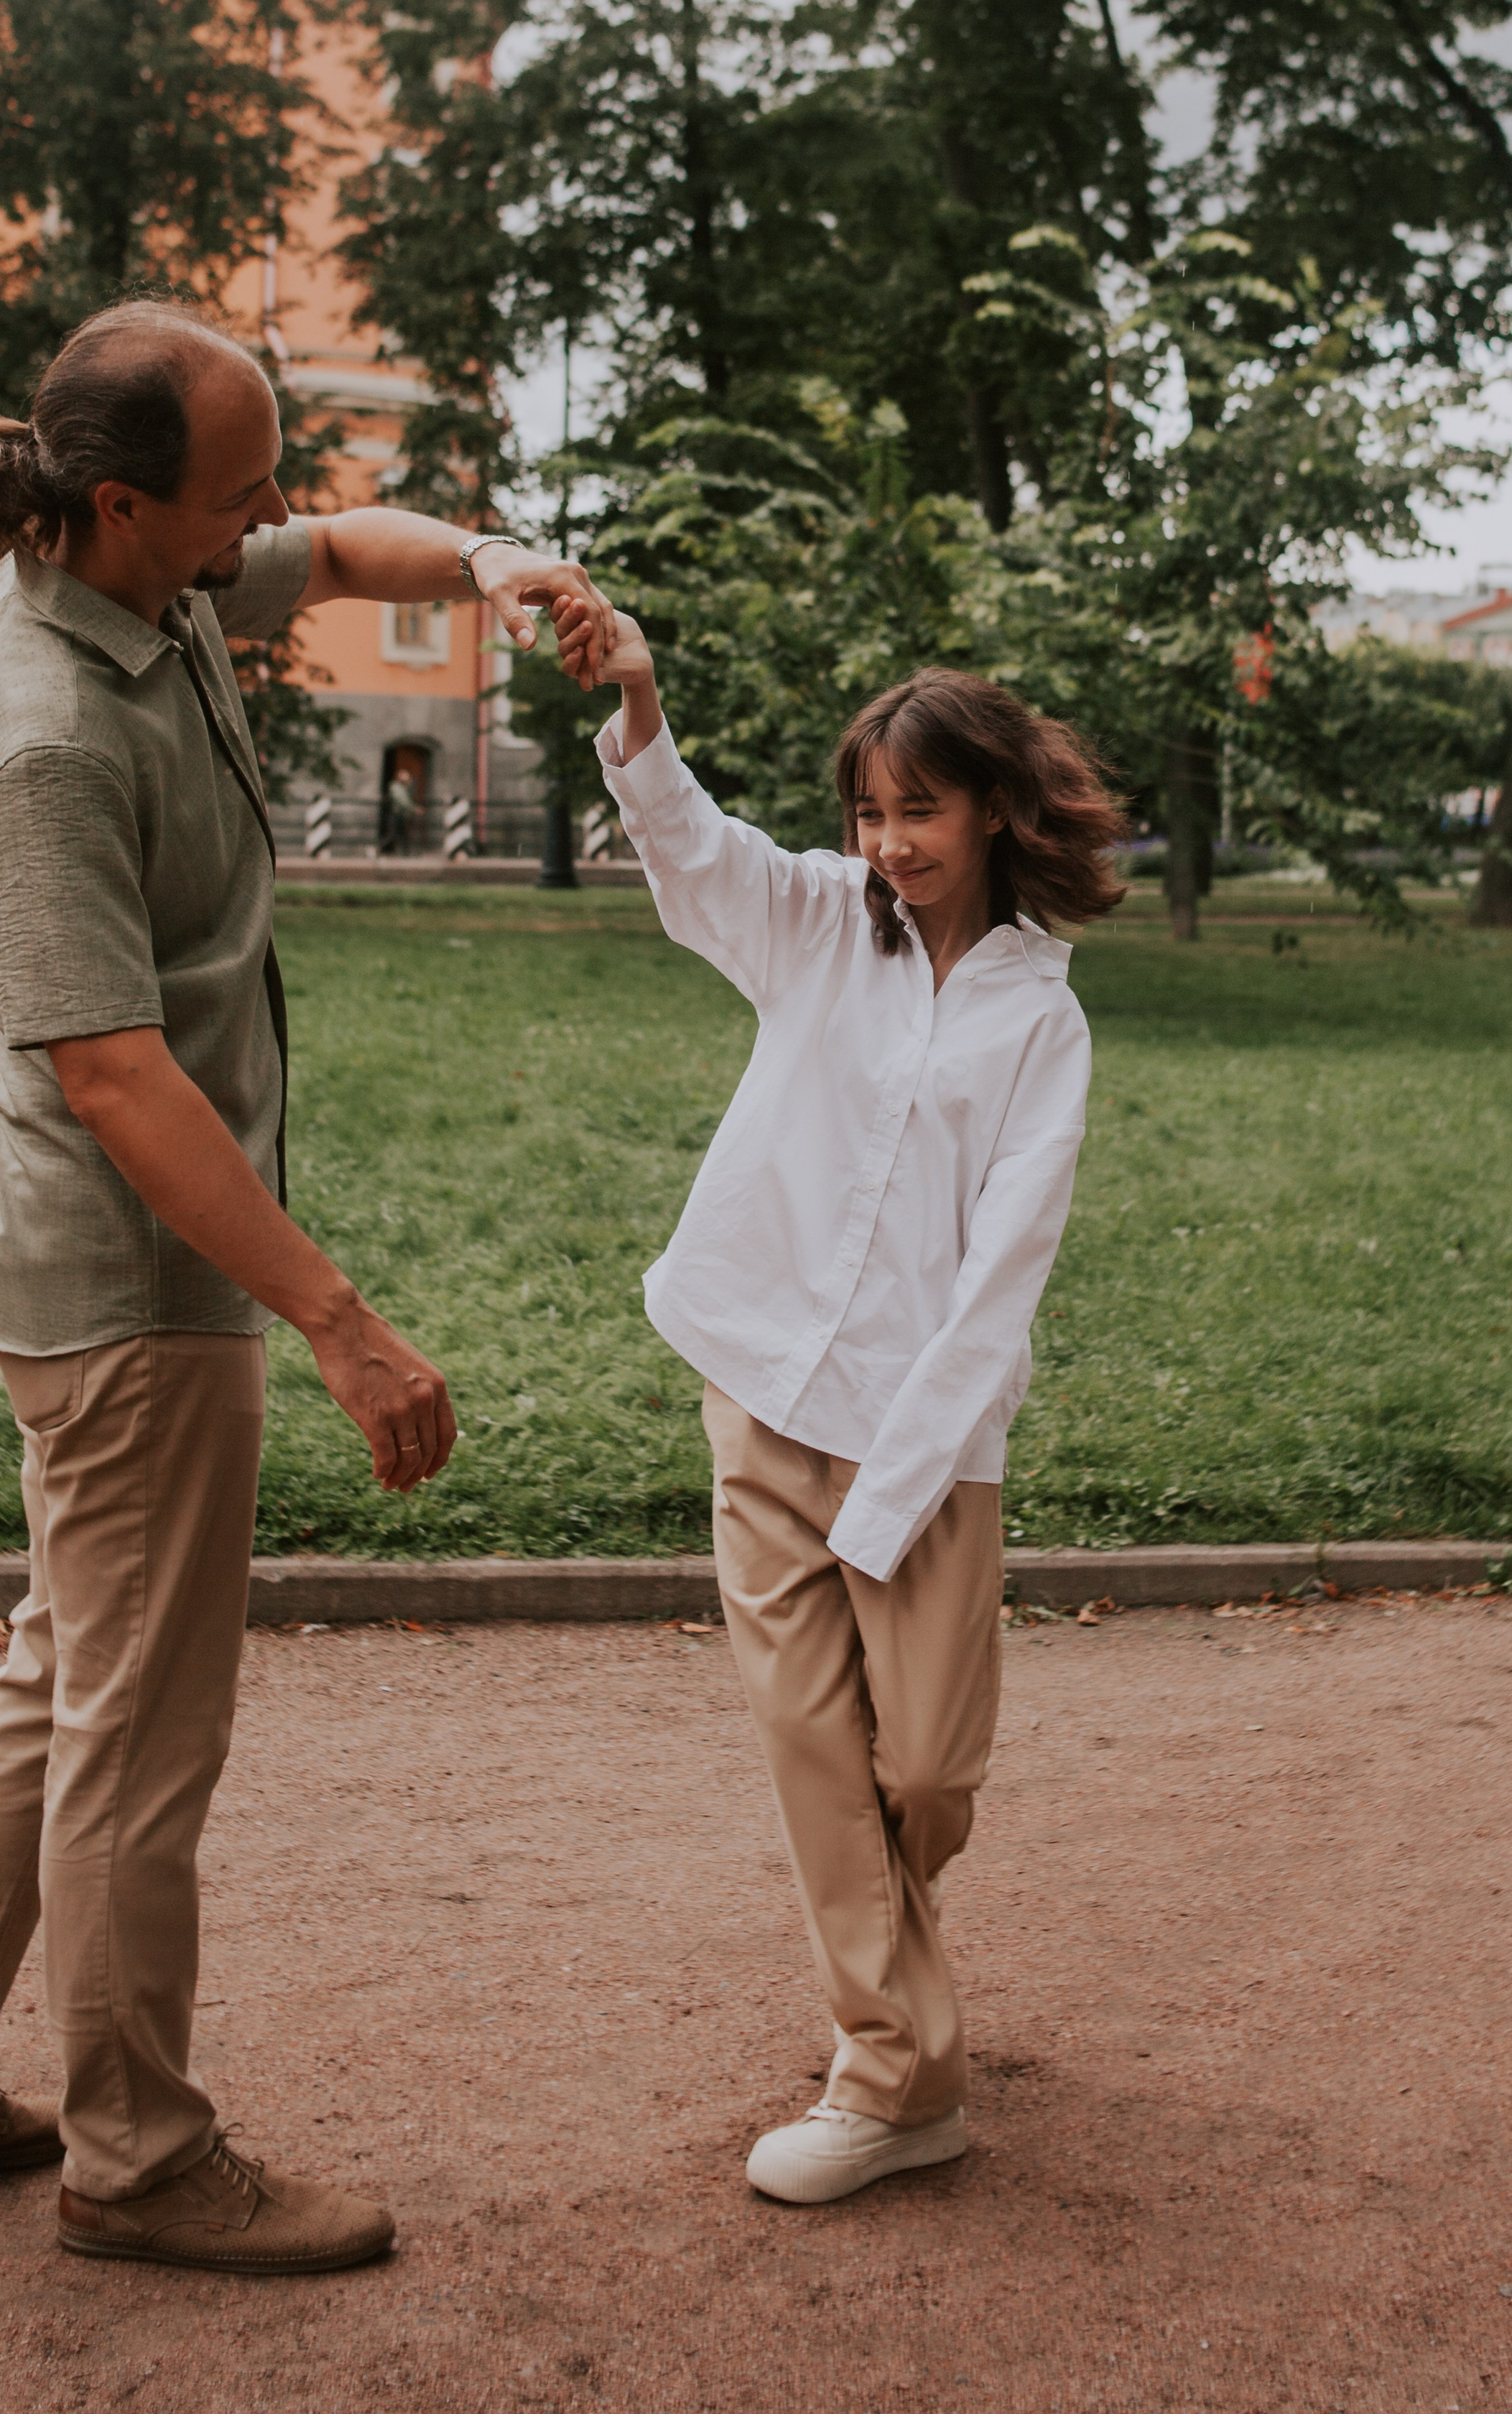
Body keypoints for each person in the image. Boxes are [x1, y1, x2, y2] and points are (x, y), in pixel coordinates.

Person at [0, 300, 612, 2273]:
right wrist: (337, 1316)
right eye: (237, 490)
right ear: (115, 503)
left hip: (103, 1263)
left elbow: (346, 551)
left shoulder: (138, 572)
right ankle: (138, 2156)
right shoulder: (41, 737)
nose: (276, 516)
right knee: (137, 1735)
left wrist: (506, 568)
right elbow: (115, 1079)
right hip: (126, 1289)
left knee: (62, 1669)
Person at [551, 593, 1125, 2207]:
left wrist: (886, 1501)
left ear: (998, 809)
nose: (886, 844)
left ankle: (893, 1975)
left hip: (923, 1448)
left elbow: (998, 1279)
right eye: (867, 813)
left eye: (917, 811)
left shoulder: (1040, 1019)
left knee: (924, 1774)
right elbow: (693, 848)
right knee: (818, 1752)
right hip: (757, 1388)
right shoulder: (814, 920)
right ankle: (894, 2079)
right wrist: (640, 699)